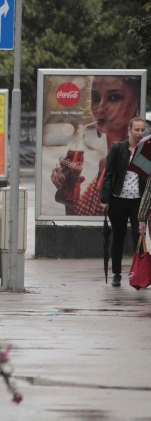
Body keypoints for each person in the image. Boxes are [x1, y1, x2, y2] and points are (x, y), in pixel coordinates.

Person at [51, 76, 142, 216]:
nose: (100, 108)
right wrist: (70, 191)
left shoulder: (137, 161)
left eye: (113, 98)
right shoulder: (105, 162)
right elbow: (83, 223)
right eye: (95, 98)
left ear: (137, 104)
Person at [100, 117, 146, 286]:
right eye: (137, 130)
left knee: (138, 237)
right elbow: (109, 174)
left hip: (138, 202)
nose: (140, 133)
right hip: (118, 200)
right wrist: (105, 198)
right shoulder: (118, 148)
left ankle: (139, 274)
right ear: (129, 130)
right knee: (118, 237)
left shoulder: (146, 150)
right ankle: (117, 274)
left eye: (143, 130)